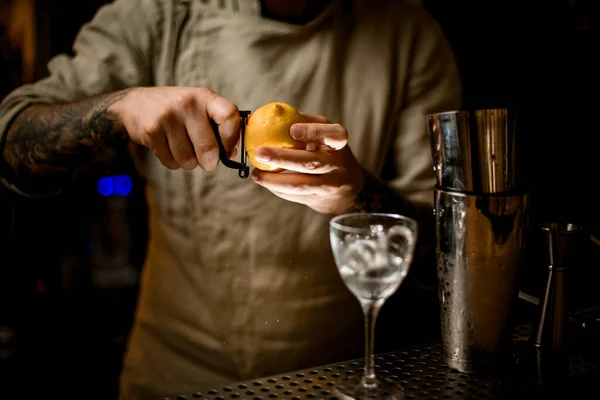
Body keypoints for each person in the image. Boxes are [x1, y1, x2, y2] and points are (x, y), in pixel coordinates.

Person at [0, 0, 461, 398]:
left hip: (337, 379)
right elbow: (11, 144)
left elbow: (447, 259)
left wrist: (358, 193)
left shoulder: (410, 37)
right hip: (177, 379)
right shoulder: (157, 15)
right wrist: (117, 108)